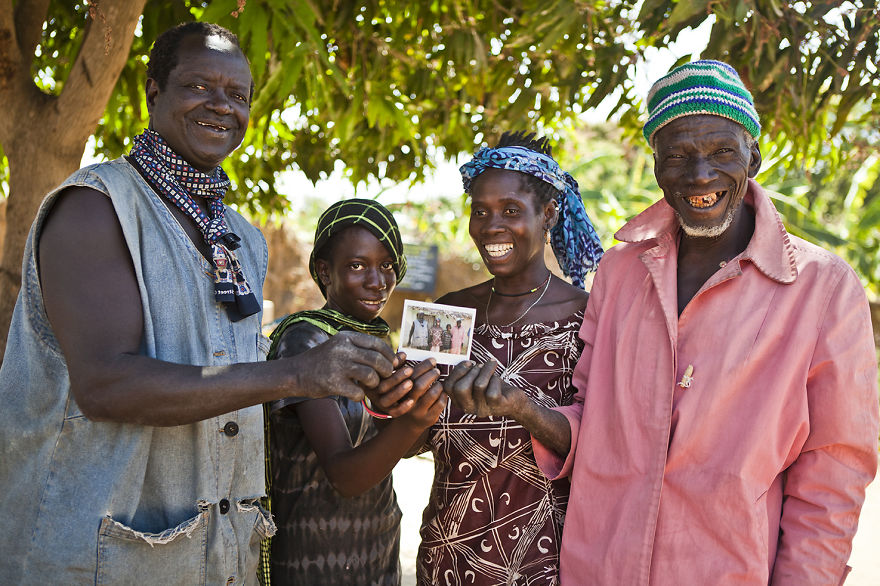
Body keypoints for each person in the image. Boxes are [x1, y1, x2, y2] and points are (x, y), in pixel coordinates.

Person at [0, 23, 399, 584]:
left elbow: (231, 376)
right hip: (92, 553)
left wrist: (364, 386)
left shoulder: (238, 236)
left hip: (213, 558)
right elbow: (105, 385)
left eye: (238, 95)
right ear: (154, 91)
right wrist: (297, 374)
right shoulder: (96, 208)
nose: (221, 106)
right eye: (199, 87)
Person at [517, 60, 876, 584]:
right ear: (656, 164)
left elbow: (833, 475)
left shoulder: (823, 288)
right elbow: (591, 417)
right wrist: (522, 409)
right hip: (599, 567)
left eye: (722, 152)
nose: (701, 175)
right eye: (678, 156)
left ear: (754, 155)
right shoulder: (619, 272)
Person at [414, 131, 604, 585]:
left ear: (549, 214)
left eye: (511, 211)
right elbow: (406, 443)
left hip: (544, 563)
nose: (491, 225)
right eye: (480, 211)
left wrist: (522, 408)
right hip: (446, 559)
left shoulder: (586, 315)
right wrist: (401, 399)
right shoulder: (445, 313)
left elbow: (604, 448)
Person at [266, 198, 447, 585]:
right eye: (357, 266)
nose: (377, 281)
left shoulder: (377, 343)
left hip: (375, 544)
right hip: (315, 555)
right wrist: (412, 422)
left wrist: (428, 402)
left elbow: (395, 447)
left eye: (386, 265)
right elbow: (345, 475)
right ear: (324, 271)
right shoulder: (306, 343)